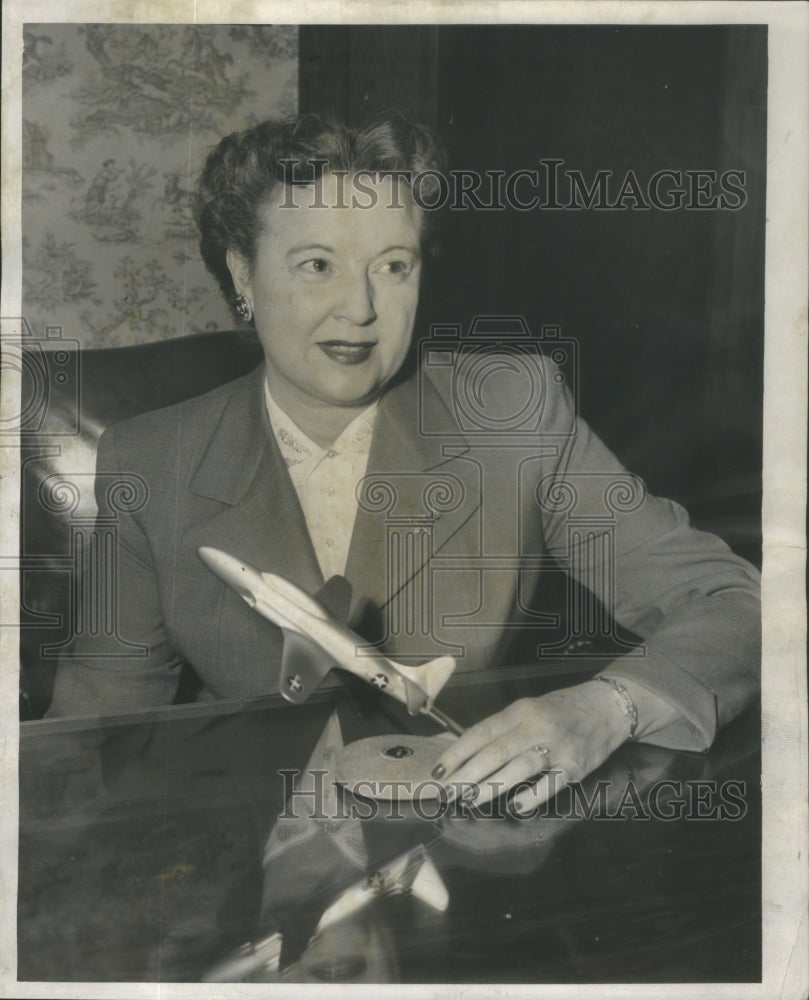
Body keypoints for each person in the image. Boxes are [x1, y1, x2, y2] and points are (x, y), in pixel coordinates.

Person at [47, 112, 760, 813]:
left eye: (391, 267)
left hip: (467, 836)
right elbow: (93, 741)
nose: (359, 308)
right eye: (316, 265)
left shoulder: (511, 412)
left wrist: (609, 708)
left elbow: (737, 604)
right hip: (246, 850)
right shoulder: (150, 462)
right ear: (243, 274)